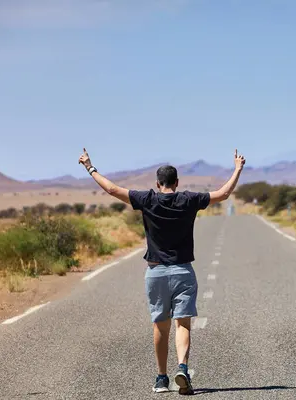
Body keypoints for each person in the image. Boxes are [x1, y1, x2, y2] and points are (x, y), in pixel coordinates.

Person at [78, 148, 246, 394]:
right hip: (182, 272)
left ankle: (161, 379)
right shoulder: (188, 200)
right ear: (177, 183)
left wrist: (90, 167)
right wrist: (237, 169)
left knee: (160, 325)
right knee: (183, 324)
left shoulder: (147, 199)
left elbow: (112, 190)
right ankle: (182, 368)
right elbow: (223, 194)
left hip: (155, 273)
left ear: (157, 183)